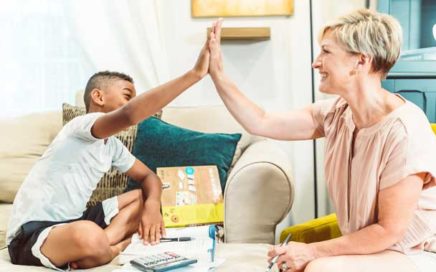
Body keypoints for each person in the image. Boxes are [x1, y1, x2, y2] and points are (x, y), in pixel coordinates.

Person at [207, 9, 436, 272]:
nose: (316, 63)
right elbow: (261, 121)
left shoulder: (404, 131)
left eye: (326, 52)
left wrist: (311, 251)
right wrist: (218, 75)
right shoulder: (337, 113)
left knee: (319, 268)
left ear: (361, 61)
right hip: (376, 251)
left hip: (417, 252)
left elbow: (389, 231)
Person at [6, 39, 211, 270]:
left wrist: (153, 205)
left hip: (74, 220)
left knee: (139, 197)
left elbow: (148, 178)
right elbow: (130, 115)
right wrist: (194, 74)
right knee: (87, 235)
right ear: (99, 97)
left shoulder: (112, 145)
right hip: (34, 232)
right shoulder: (81, 125)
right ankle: (113, 246)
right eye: (127, 96)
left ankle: (103, 243)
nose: (132, 104)